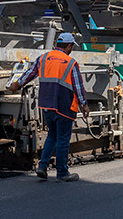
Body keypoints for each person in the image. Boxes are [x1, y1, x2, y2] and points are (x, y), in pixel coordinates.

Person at [8, 32, 90, 181]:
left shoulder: (43, 58)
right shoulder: (70, 62)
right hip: (64, 106)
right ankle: (62, 173)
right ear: (69, 46)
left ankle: (43, 166)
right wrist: (84, 104)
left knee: (52, 136)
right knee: (63, 139)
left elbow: (29, 74)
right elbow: (78, 86)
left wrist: (16, 84)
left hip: (47, 105)